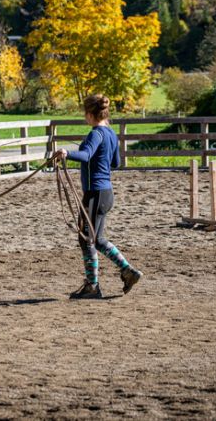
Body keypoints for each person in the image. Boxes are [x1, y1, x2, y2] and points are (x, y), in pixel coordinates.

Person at [56, 94, 142, 299]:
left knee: (86, 239)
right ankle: (127, 271)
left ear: (90, 114)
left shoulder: (95, 133)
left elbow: (86, 155)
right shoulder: (111, 134)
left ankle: (93, 286)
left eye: (85, 114)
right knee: (97, 239)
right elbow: (116, 163)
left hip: (94, 194)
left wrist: (66, 153)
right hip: (106, 193)